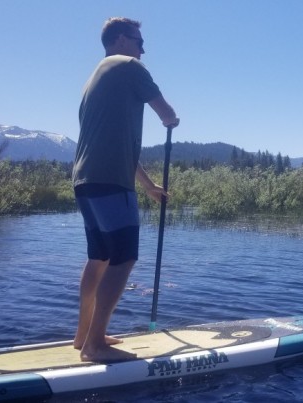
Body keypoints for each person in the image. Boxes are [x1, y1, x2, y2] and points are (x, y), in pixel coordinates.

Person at [72, 17, 179, 363]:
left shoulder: (96, 77)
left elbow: (117, 145)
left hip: (86, 180)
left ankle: (83, 336)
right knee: (125, 257)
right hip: (110, 182)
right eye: (138, 40)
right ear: (120, 40)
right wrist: (171, 119)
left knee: (99, 258)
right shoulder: (130, 66)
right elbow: (166, 112)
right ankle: (95, 345)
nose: (143, 48)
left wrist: (148, 186)